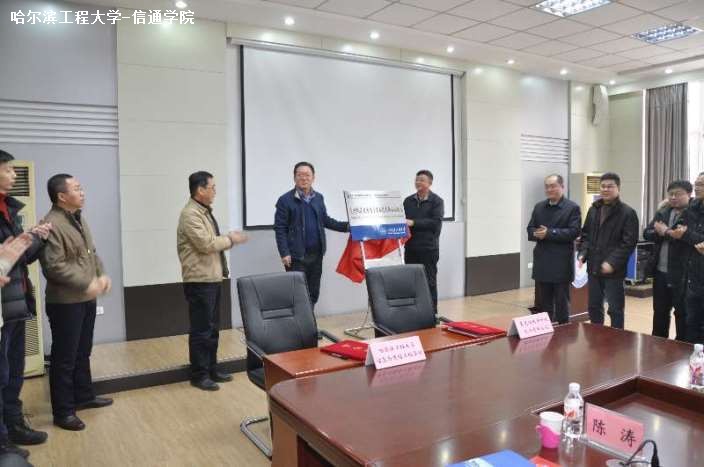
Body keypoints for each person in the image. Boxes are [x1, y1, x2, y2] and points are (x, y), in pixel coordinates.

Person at [39, 174, 113, 431]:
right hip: (65, 303)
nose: (83, 192)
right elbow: (54, 267)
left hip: (85, 298)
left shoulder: (78, 218)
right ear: (62, 196)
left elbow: (92, 253)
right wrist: (86, 283)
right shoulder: (51, 224)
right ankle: (63, 412)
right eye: (77, 189)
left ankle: (84, 396)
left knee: (83, 352)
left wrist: (101, 275)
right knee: (64, 358)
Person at [0, 150, 51, 459]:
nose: (14, 174)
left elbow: (19, 258)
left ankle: (14, 426)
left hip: (16, 302)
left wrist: (35, 239)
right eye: (7, 169)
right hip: (2, 306)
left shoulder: (10, 209)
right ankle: (3, 441)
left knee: (14, 371)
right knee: (2, 374)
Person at [177, 171, 247, 391]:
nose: (215, 191)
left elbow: (212, 242)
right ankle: (199, 374)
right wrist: (231, 239)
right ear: (200, 190)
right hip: (199, 280)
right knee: (202, 330)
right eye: (212, 187)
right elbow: (206, 244)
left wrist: (227, 240)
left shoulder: (204, 211)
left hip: (212, 278)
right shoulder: (190, 214)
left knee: (213, 328)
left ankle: (211, 368)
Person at [274, 162, 348, 308]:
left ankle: (308, 321)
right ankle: (300, 322)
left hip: (316, 255)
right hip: (296, 256)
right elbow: (280, 228)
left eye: (307, 175)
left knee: (313, 293)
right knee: (298, 293)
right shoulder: (285, 200)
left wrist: (347, 227)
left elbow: (325, 220)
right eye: (300, 175)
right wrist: (284, 252)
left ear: (313, 178)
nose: (304, 178)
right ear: (294, 177)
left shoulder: (318, 198)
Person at [578, 172, 638, 329]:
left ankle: (617, 338)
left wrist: (611, 262)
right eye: (603, 186)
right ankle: (596, 336)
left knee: (615, 309)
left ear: (618, 188)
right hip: (593, 267)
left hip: (614, 271)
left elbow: (628, 243)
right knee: (594, 306)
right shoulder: (594, 210)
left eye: (610, 186)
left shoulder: (627, 213)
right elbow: (586, 235)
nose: (605, 189)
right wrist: (583, 254)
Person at [526, 174, 581, 324]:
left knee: (562, 303)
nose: (549, 189)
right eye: (547, 187)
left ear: (562, 187)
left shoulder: (572, 208)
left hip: (561, 263)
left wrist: (549, 233)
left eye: (553, 186)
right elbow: (530, 229)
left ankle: (564, 332)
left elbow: (574, 232)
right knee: (543, 304)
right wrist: (536, 233)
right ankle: (545, 331)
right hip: (542, 262)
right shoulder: (539, 207)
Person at [643, 180, 692, 341]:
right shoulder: (663, 212)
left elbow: (688, 239)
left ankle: (681, 346)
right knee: (660, 311)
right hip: (660, 271)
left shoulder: (693, 214)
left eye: (678, 194)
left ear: (689, 194)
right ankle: (657, 343)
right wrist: (663, 233)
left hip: (682, 273)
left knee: (682, 312)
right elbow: (647, 233)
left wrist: (665, 231)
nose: (673, 197)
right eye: (670, 194)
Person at [403, 170, 444, 313]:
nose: (418, 182)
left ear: (429, 183)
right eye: (417, 179)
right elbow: (402, 220)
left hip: (428, 249)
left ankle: (432, 313)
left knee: (429, 281)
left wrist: (413, 223)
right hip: (411, 247)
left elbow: (435, 223)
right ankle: (414, 312)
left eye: (421, 180)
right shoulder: (408, 201)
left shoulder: (437, 201)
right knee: (411, 280)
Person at [670, 172, 704, 343]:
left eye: (701, 185)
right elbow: (678, 229)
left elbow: (687, 234)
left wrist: (687, 234)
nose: (697, 188)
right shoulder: (693, 207)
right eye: (696, 184)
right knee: (691, 321)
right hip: (691, 273)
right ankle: (692, 355)